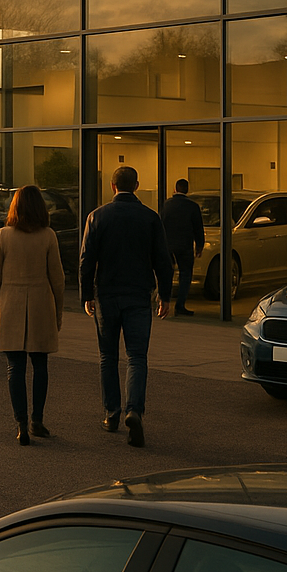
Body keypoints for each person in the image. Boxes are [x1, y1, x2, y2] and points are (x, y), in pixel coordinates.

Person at [78, 165, 172, 448]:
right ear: (137, 185)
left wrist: (86, 295)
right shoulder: (150, 218)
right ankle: (134, 410)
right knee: (137, 357)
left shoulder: (97, 216)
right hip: (139, 295)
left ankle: (111, 413)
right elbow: (163, 260)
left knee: (108, 356)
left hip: (107, 294)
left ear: (112, 186)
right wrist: (165, 296)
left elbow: (86, 260)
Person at [0, 185, 65, 445]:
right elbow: (58, 279)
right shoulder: (48, 236)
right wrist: (58, 312)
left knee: (15, 367)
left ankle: (21, 424)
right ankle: (37, 420)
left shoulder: (2, 236)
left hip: (10, 305)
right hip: (41, 303)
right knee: (40, 366)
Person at [160, 178, 205, 316]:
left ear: (175, 189)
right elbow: (198, 228)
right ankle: (180, 306)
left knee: (167, 274)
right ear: (187, 190)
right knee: (185, 275)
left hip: (168, 245)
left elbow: (160, 225)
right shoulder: (193, 206)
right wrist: (199, 245)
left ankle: (164, 301)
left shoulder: (166, 205)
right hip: (185, 246)